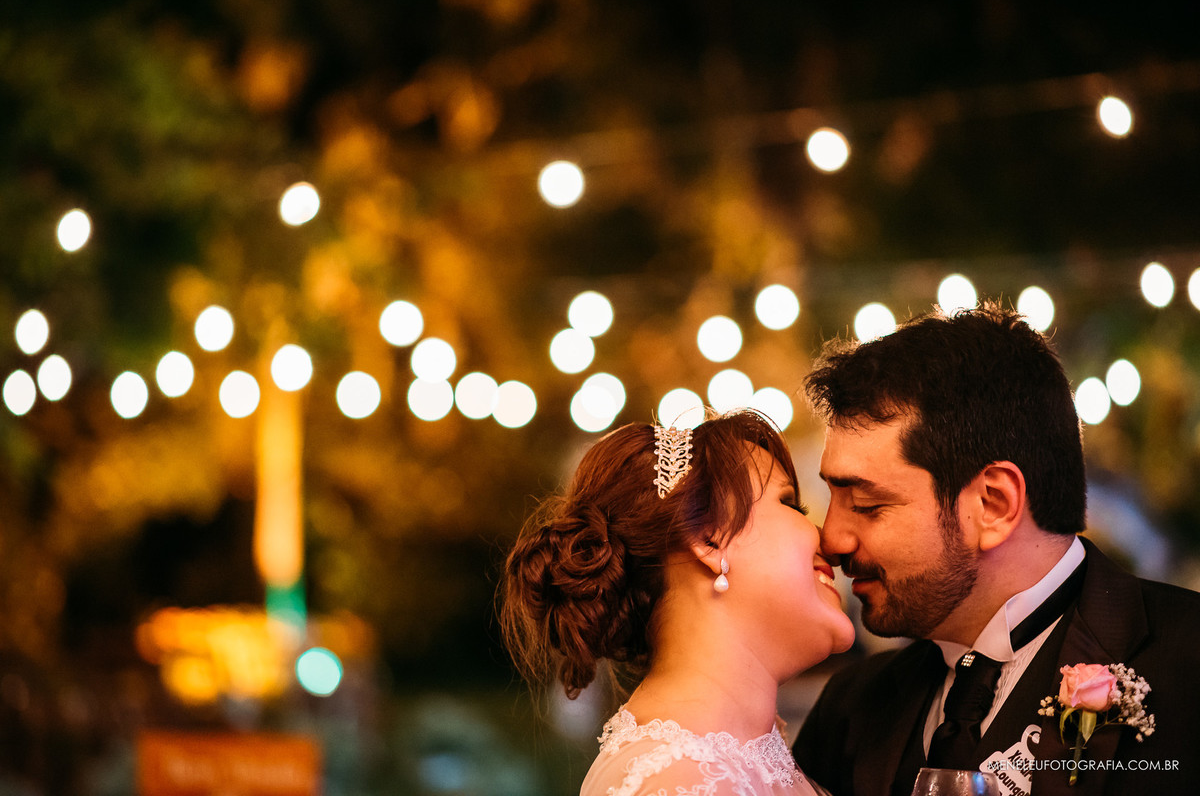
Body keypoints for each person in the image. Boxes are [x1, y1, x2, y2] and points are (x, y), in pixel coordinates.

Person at [792, 304, 1200, 796]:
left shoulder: (1189, 663)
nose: (831, 539)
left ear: (994, 503)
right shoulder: (850, 707)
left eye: (867, 503)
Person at [502, 409, 855, 796]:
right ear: (708, 539)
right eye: (791, 504)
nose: (829, 539)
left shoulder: (742, 758)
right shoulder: (676, 782)